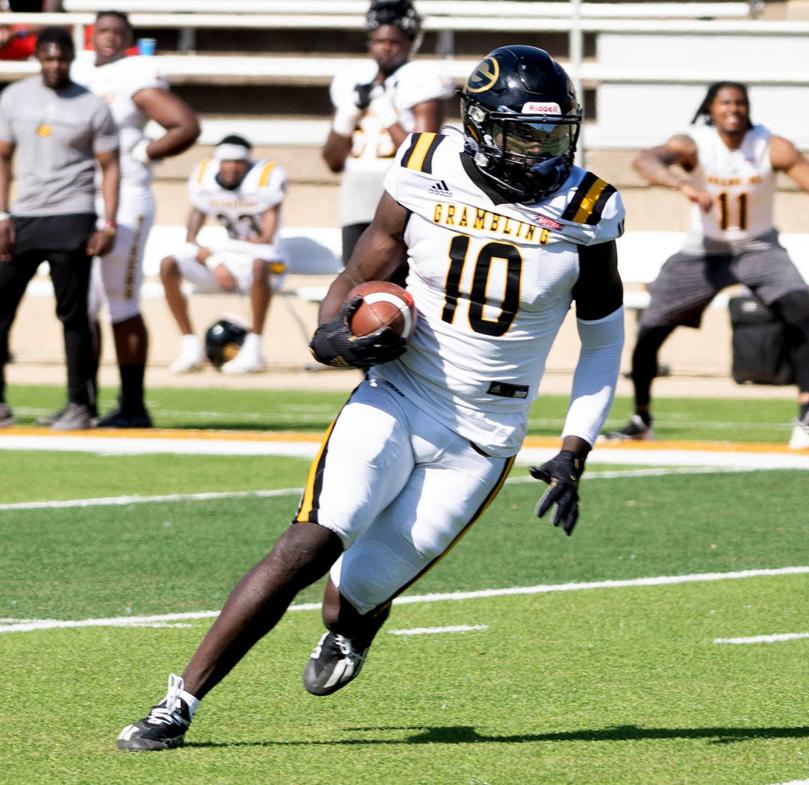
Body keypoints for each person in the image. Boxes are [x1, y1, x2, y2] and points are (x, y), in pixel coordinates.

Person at [116, 44, 626, 752]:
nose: (539, 149)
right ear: (478, 126)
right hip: (399, 392)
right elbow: (361, 269)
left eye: (551, 132)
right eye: (520, 132)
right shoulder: (426, 166)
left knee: (349, 595)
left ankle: (352, 628)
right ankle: (179, 702)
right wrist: (331, 337)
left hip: (483, 433)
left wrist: (577, 444)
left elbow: (602, 338)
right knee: (307, 544)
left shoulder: (590, 207)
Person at [607, 81, 809, 450]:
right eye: (725, 102)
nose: (733, 109)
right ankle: (641, 418)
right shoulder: (693, 144)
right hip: (703, 252)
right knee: (650, 331)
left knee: (801, 310)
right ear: (711, 108)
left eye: (740, 102)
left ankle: (808, 414)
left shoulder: (770, 146)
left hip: (759, 249)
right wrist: (683, 185)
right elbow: (645, 160)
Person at [69, 9, 200, 428]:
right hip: (79, 197)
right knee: (82, 306)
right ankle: (82, 402)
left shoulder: (135, 72)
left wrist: (142, 153)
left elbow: (184, 125)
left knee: (120, 302)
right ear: (92, 35)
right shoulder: (80, 69)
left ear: (127, 39)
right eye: (103, 30)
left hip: (125, 197)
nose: (109, 38)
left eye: (118, 32)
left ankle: (132, 404)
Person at [0, 26, 118, 430]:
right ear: (36, 58)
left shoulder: (91, 105)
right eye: (48, 58)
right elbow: (2, 159)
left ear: (71, 59)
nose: (55, 65)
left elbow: (110, 166)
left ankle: (79, 404)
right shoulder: (14, 98)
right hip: (22, 219)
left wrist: (109, 222)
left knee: (73, 316)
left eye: (62, 58)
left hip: (72, 215)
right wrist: (2, 216)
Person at [322, 0, 452, 283]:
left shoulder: (423, 79)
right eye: (379, 40)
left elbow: (422, 155)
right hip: (356, 198)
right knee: (355, 285)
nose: (386, 47)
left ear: (411, 42)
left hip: (401, 196)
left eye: (395, 41)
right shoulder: (352, 80)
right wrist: (346, 116)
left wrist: (387, 114)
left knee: (397, 285)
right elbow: (332, 161)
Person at [160, 135, 286, 375]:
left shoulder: (265, 178)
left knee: (260, 263)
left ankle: (253, 348)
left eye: (237, 161)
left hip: (265, 258)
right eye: (225, 161)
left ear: (247, 163)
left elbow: (267, 239)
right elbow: (191, 238)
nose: (230, 167)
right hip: (226, 257)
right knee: (169, 264)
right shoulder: (204, 180)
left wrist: (224, 251)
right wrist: (214, 259)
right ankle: (189, 346)